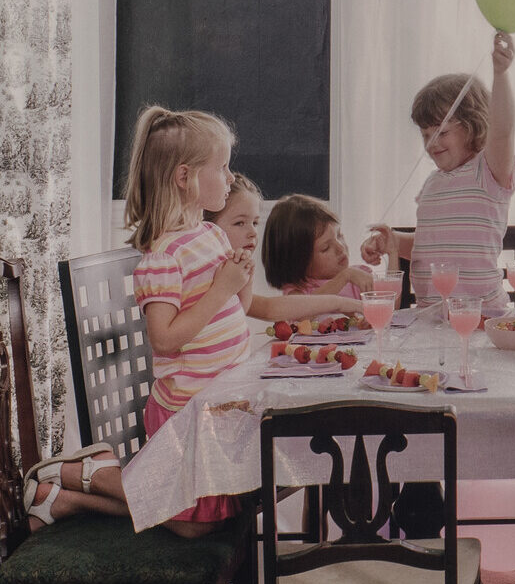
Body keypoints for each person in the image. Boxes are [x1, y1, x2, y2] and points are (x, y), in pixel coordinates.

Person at [21, 107, 259, 538]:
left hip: (220, 406)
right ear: (185, 178)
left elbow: (233, 312)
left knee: (209, 517)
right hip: (186, 415)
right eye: (221, 167)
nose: (229, 177)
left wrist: (241, 278)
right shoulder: (163, 259)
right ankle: (87, 472)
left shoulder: (213, 236)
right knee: (191, 528)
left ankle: (66, 497)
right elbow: (165, 340)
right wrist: (221, 290)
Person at [360, 33, 515, 306]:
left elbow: (503, 131)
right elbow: (429, 245)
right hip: (431, 315)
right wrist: (392, 241)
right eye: (425, 134)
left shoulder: (487, 172)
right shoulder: (432, 184)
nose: (431, 143)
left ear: (474, 125)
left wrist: (501, 73)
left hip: (481, 315)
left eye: (442, 132)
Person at [258, 192, 375, 309]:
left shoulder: (359, 276)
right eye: (326, 248)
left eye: (339, 236)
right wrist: (344, 277)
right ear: (299, 263)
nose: (340, 248)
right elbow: (302, 312)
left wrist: (393, 251)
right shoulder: (297, 292)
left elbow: (391, 303)